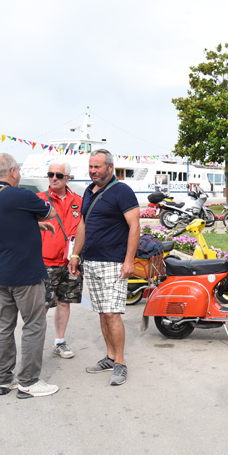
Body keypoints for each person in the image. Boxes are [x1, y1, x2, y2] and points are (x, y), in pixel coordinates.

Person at [0, 153, 59, 398]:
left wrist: (32, 224)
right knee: (34, 325)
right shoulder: (20, 195)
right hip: (24, 274)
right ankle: (29, 381)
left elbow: (5, 226)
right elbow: (50, 212)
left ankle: (4, 379)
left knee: (4, 327)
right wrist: (38, 219)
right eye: (19, 171)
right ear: (13, 172)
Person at [68, 149, 140, 386]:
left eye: (97, 167)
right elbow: (83, 224)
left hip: (114, 262)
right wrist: (75, 254)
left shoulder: (122, 191)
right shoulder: (89, 191)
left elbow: (134, 226)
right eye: (91, 167)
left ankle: (120, 362)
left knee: (112, 313)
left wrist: (129, 261)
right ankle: (110, 357)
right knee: (101, 311)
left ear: (110, 167)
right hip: (92, 261)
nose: (93, 171)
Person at [37, 159, 83, 359]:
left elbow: (84, 229)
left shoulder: (78, 201)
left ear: (67, 178)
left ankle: (59, 342)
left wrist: (77, 255)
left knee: (65, 302)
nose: (54, 178)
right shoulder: (39, 200)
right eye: (51, 174)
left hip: (71, 262)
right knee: (42, 306)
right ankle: (34, 345)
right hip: (45, 262)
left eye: (58, 175)